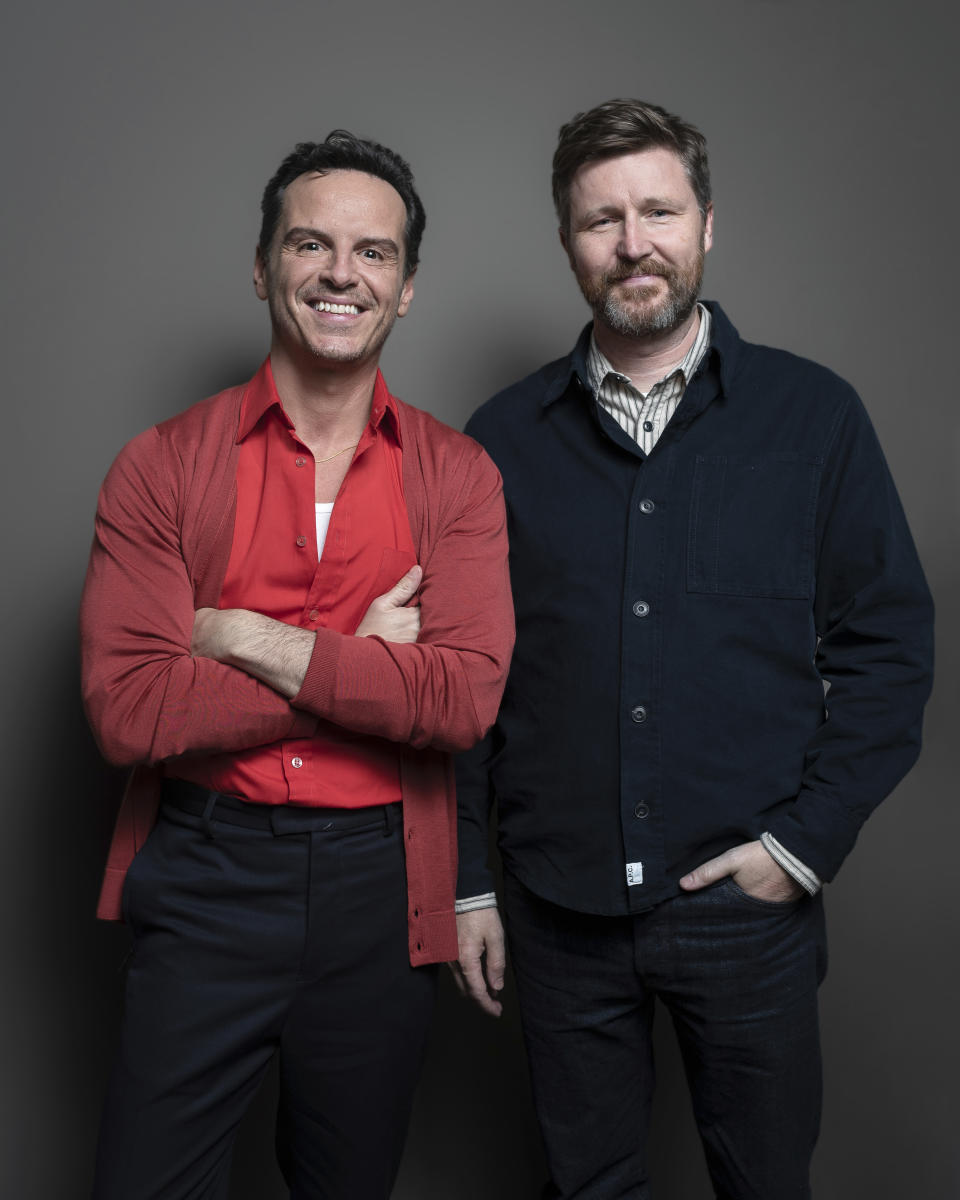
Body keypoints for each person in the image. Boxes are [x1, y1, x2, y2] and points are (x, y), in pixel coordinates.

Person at [452, 99, 934, 1200]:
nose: (633, 243)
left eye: (658, 210)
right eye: (601, 219)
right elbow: (467, 679)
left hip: (746, 910)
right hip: (557, 913)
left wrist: (801, 847)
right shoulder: (498, 440)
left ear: (707, 223)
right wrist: (470, 887)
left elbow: (890, 644)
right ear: (568, 242)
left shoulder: (815, 417)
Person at [81, 130, 514, 1200]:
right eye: (311, 244)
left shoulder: (456, 476)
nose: (340, 274)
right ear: (264, 263)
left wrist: (245, 637)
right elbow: (131, 715)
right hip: (208, 877)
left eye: (374, 254)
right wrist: (363, 668)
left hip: (381, 891)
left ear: (407, 289)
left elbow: (459, 700)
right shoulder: (161, 466)